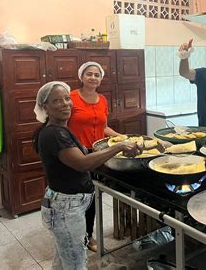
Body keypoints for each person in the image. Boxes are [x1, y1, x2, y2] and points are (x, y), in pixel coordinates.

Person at [33, 81, 139, 269]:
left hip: (63, 203)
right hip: (65, 208)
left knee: (63, 259)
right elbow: (82, 163)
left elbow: (81, 157)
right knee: (75, 261)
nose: (65, 104)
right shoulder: (54, 133)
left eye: (67, 98)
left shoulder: (60, 129)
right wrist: (118, 147)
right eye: (57, 101)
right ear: (45, 107)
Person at [68, 62, 119, 252]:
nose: (93, 78)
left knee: (91, 196)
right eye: (89, 74)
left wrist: (121, 138)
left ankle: (88, 236)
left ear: (101, 78)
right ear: (81, 77)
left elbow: (103, 127)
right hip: (76, 154)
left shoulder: (102, 99)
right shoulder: (71, 97)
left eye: (97, 75)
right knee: (76, 197)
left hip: (98, 154)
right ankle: (72, 235)